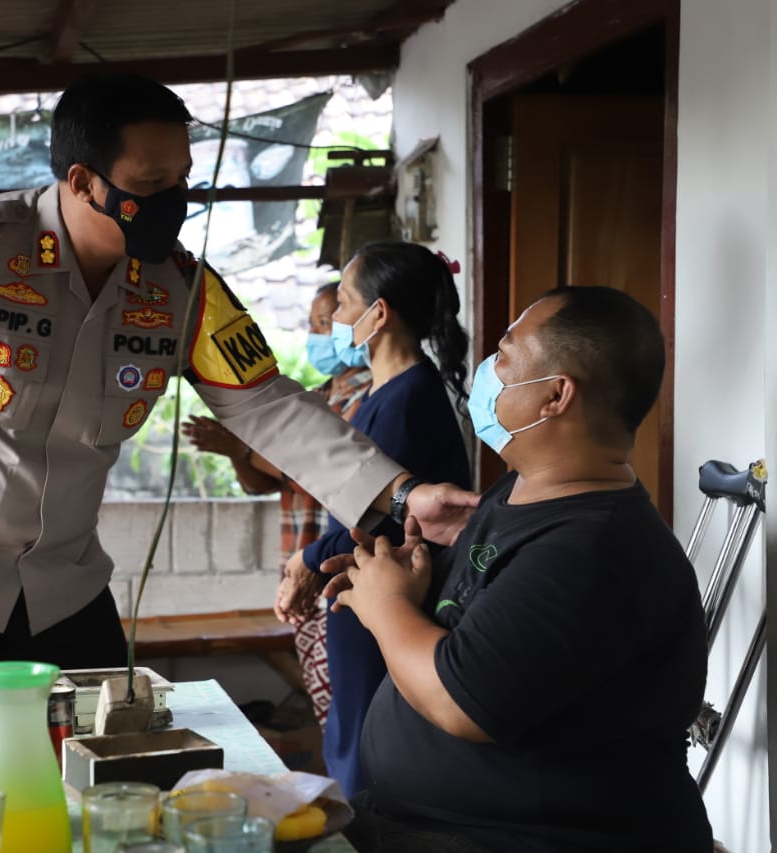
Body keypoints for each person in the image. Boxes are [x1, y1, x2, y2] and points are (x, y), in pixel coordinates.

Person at [0, 71, 478, 772]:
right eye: (151, 185)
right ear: (83, 180)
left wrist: (400, 493)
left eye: (182, 180)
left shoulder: (183, 288)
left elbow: (265, 401)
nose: (172, 202)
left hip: (65, 592)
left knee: (109, 781)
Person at [324, 286, 713, 852]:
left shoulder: (592, 549)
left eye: (504, 355)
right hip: (427, 819)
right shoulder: (522, 492)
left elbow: (459, 701)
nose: (489, 369)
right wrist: (413, 576)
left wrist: (386, 606)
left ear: (555, 395)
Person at [275, 242, 473, 796]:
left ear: (378, 314)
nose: (335, 320)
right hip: (364, 591)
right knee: (353, 730)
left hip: (386, 593)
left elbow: (375, 517)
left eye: (342, 303)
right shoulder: (387, 392)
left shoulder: (408, 400)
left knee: (369, 738)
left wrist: (309, 558)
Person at [182, 282, 373, 727]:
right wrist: (236, 452)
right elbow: (262, 483)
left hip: (336, 569)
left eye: (325, 322)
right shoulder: (315, 397)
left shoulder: (367, 397)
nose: (316, 334)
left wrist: (242, 446)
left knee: (344, 706)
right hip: (302, 566)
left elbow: (316, 470)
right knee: (327, 704)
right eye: (313, 324)